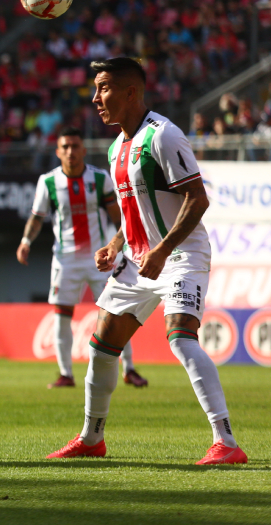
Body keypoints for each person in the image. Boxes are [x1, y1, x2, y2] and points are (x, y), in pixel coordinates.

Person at [48, 58, 247, 465]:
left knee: (181, 339)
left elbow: (198, 199)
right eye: (95, 89)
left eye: (104, 88)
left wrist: (163, 249)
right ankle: (91, 438)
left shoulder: (164, 135)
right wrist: (115, 244)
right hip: (138, 263)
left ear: (130, 92)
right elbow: (131, 213)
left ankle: (226, 441)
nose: (95, 98)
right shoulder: (116, 148)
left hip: (181, 254)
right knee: (102, 348)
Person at [18, 127, 147, 389]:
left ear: (84, 150)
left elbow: (117, 216)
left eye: (75, 146)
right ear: (57, 152)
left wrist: (127, 245)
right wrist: (25, 241)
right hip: (65, 260)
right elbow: (37, 217)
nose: (70, 152)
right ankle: (66, 374)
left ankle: (129, 369)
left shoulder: (99, 179)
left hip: (100, 259)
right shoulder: (48, 182)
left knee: (117, 312)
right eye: (65, 147)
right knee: (62, 315)